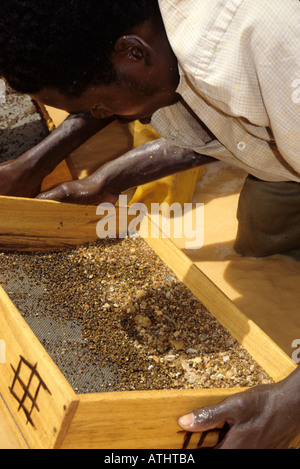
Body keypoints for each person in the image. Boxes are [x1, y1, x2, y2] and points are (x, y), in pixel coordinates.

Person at [0, 0, 300, 448]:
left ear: (134, 53)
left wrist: (288, 406)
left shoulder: (275, 53)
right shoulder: (159, 44)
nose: (103, 119)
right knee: (266, 240)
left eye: (101, 105)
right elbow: (226, 129)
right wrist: (107, 179)